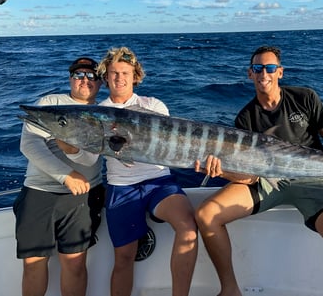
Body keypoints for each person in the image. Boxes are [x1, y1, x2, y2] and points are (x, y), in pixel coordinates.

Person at [194, 45, 323, 296]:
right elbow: (249, 175)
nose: (263, 74)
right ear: (250, 74)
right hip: (266, 181)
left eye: (269, 68)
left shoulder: (305, 98)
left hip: (314, 179)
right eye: (258, 68)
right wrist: (221, 171)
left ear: (280, 72)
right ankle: (230, 289)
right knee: (206, 214)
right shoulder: (246, 118)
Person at [96, 46, 198, 296]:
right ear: (106, 76)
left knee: (187, 228)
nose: (119, 78)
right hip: (121, 187)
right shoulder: (98, 111)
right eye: (114, 73)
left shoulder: (153, 105)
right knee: (123, 257)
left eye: (125, 73)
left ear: (135, 76)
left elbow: (171, 145)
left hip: (158, 182)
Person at [14, 57, 105, 296]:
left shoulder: (105, 112)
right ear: (70, 79)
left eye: (91, 75)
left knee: (75, 264)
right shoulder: (50, 103)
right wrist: (66, 175)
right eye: (78, 75)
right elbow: (30, 145)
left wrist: (72, 153)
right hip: (39, 192)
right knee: (33, 264)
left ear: (101, 82)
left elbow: (92, 157)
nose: (85, 80)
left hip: (84, 195)